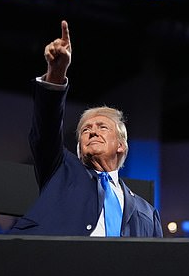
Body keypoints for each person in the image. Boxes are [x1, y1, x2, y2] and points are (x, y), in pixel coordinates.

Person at [9, 20, 163, 237]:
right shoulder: (60, 171)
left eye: (102, 127)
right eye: (85, 130)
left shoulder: (148, 213)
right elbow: (46, 129)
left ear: (121, 145)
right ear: (79, 148)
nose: (92, 131)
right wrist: (56, 74)